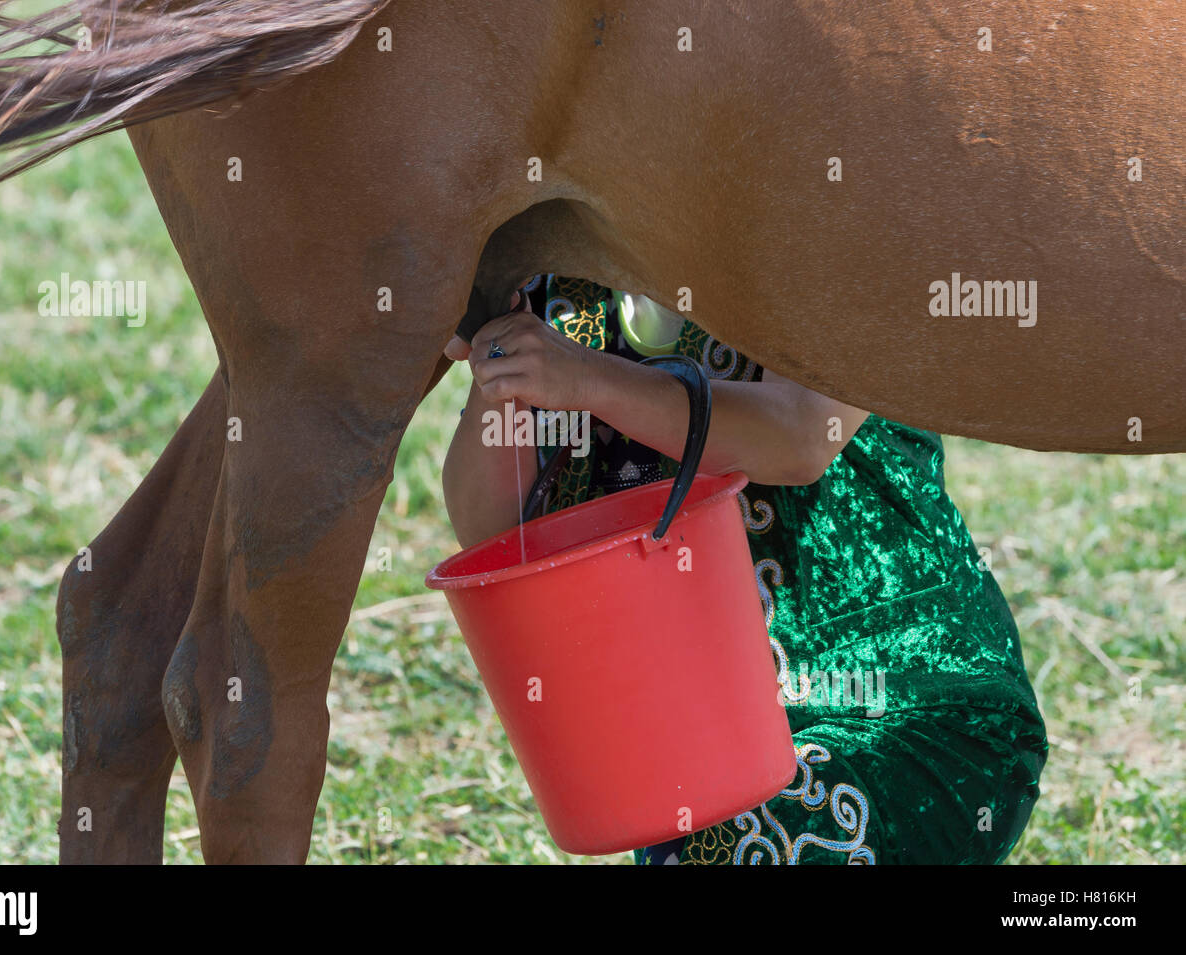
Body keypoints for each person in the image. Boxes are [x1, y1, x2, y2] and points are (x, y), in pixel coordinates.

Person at [441, 274, 1047, 865]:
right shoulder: (554, 279)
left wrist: (590, 380)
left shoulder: (823, 224)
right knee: (714, 833)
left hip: (918, 707)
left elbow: (801, 436)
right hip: (709, 760)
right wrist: (505, 364)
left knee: (734, 843)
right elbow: (499, 533)